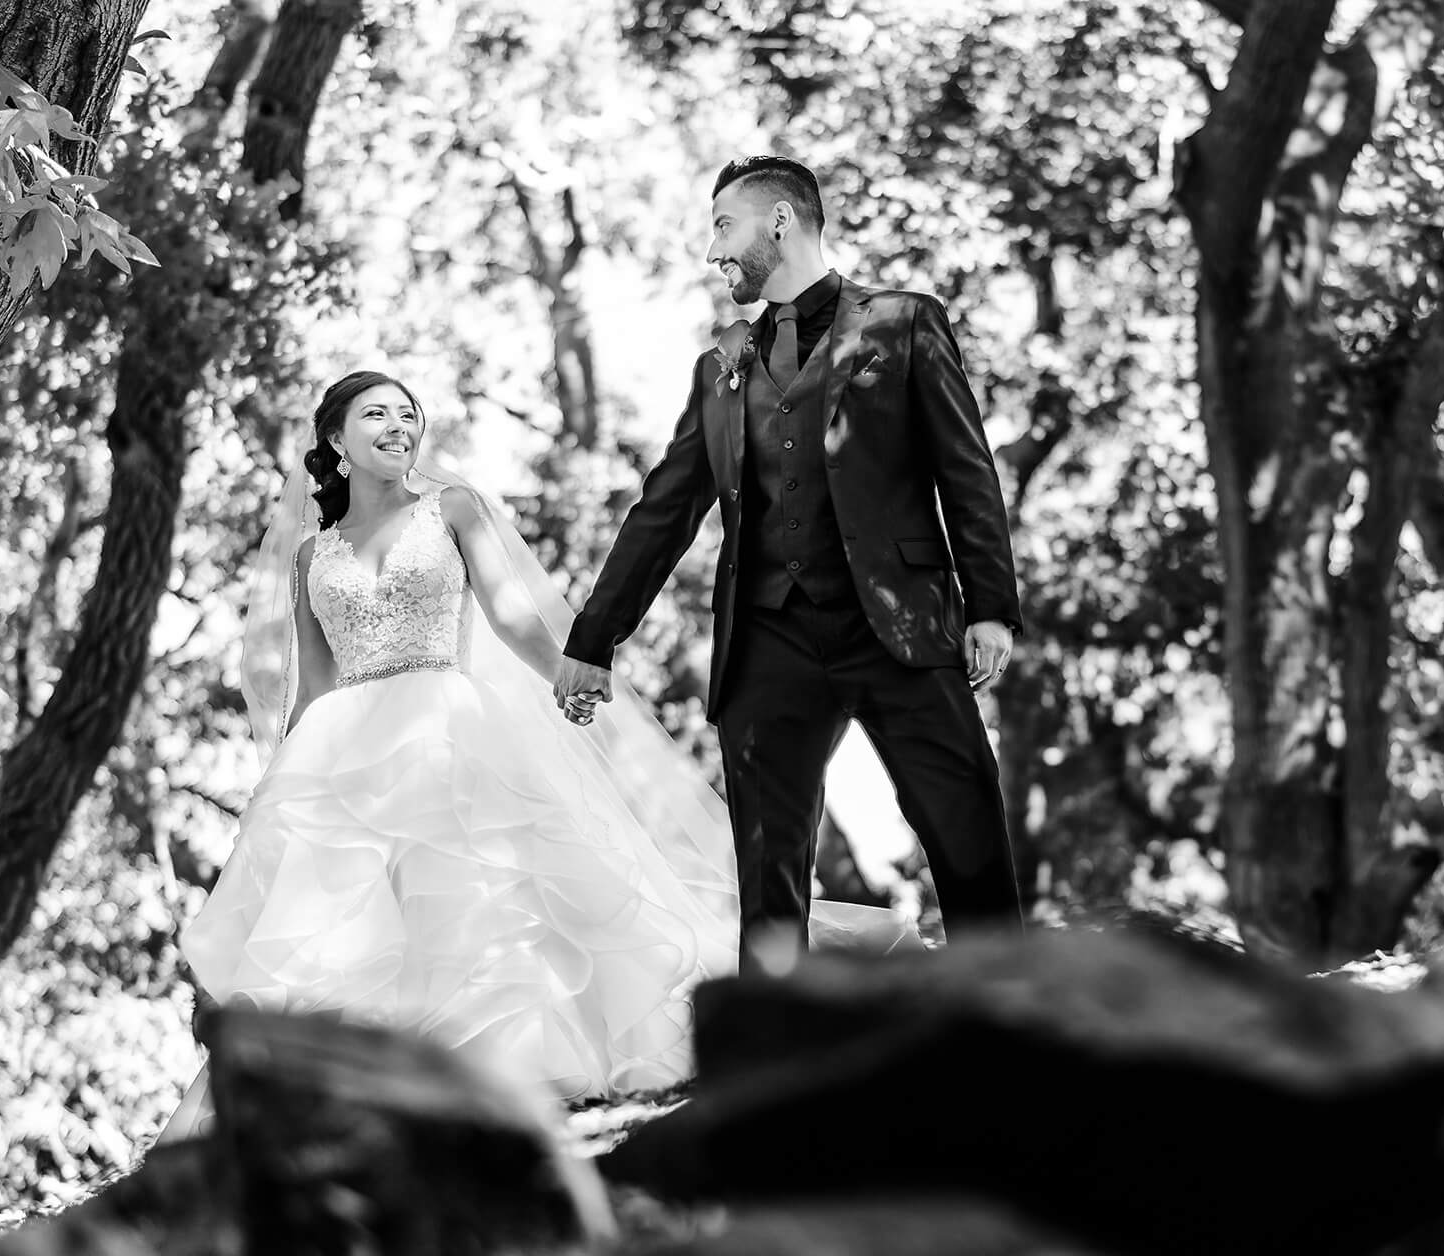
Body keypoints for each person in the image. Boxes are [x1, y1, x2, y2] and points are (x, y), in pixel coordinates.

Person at [163, 370, 908, 1140]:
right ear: (335, 443)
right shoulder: (312, 556)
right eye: (375, 413)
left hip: (446, 724)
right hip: (345, 747)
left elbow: (511, 614)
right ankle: (371, 1085)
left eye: (408, 413)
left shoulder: (450, 510)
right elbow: (315, 681)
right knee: (352, 917)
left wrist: (568, 670)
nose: (398, 424)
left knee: (476, 895)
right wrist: (287, 783)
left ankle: (505, 1064)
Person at [550, 155, 1026, 971]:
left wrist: (990, 604)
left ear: (780, 221)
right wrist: (592, 639)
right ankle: (770, 1054)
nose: (712, 252)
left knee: (967, 834)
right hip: (767, 641)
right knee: (767, 878)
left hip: (900, 625)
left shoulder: (904, 322)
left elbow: (966, 469)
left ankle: (1019, 1034)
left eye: (723, 226)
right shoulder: (720, 367)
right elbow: (665, 512)